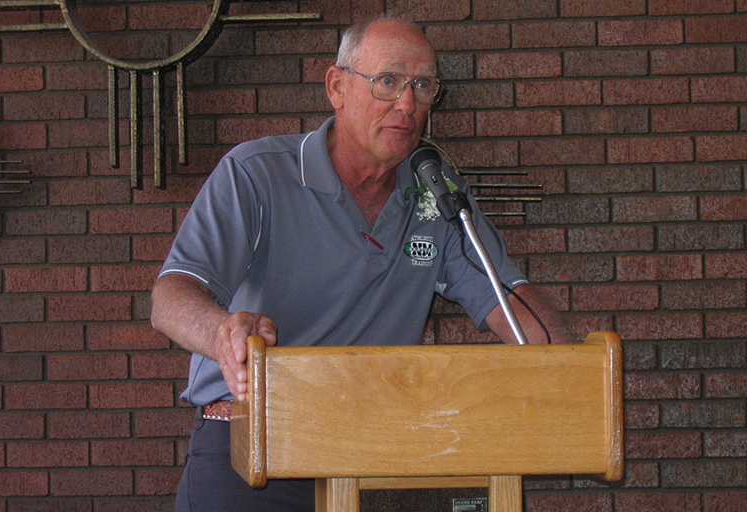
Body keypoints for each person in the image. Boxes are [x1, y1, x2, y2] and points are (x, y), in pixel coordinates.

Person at [151, 16, 573, 512]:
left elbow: (509, 301)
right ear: (337, 86)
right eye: (388, 81)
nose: (408, 104)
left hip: (373, 458)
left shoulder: (435, 194)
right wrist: (223, 334)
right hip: (250, 453)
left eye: (423, 86)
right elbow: (171, 297)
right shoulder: (256, 174)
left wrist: (568, 370)